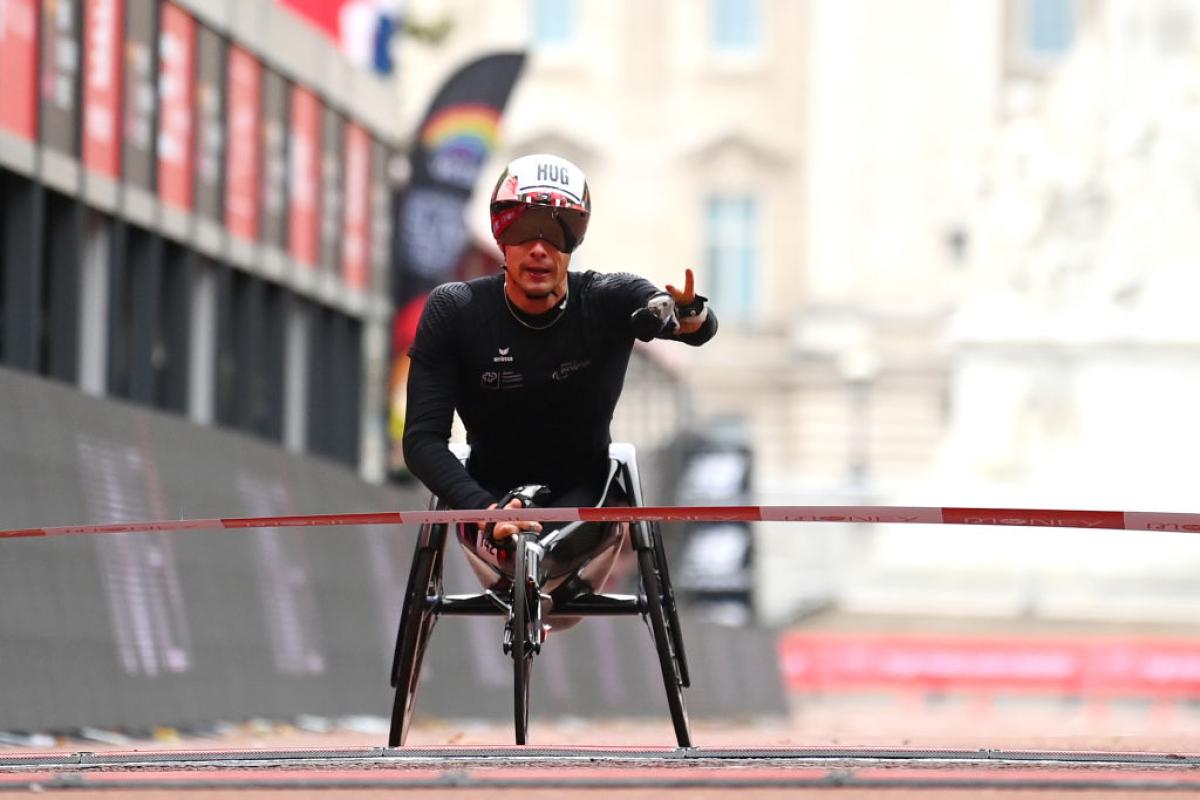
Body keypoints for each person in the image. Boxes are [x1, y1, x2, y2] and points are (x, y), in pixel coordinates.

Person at [402, 153, 718, 617]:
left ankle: (545, 562)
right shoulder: (455, 309)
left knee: (551, 538)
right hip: (487, 497)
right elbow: (421, 440)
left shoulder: (606, 296)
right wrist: (485, 510)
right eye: (522, 229)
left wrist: (688, 315)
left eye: (557, 231)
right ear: (500, 236)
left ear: (575, 241)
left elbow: (675, 315)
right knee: (511, 534)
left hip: (583, 496)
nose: (538, 248)